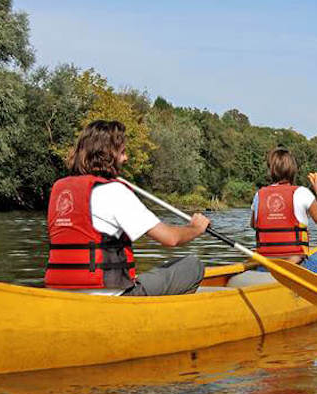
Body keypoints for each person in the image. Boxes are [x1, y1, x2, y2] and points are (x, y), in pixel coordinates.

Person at [44, 120, 210, 295]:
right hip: (113, 297)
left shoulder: (59, 188)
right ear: (107, 154)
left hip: (61, 294)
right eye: (122, 152)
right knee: (193, 266)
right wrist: (195, 228)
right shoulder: (114, 191)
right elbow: (170, 238)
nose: (126, 158)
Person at [250, 146, 317, 273]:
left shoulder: (259, 195)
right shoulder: (302, 193)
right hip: (295, 268)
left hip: (266, 265)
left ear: (271, 171)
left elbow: (254, 225)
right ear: (293, 170)